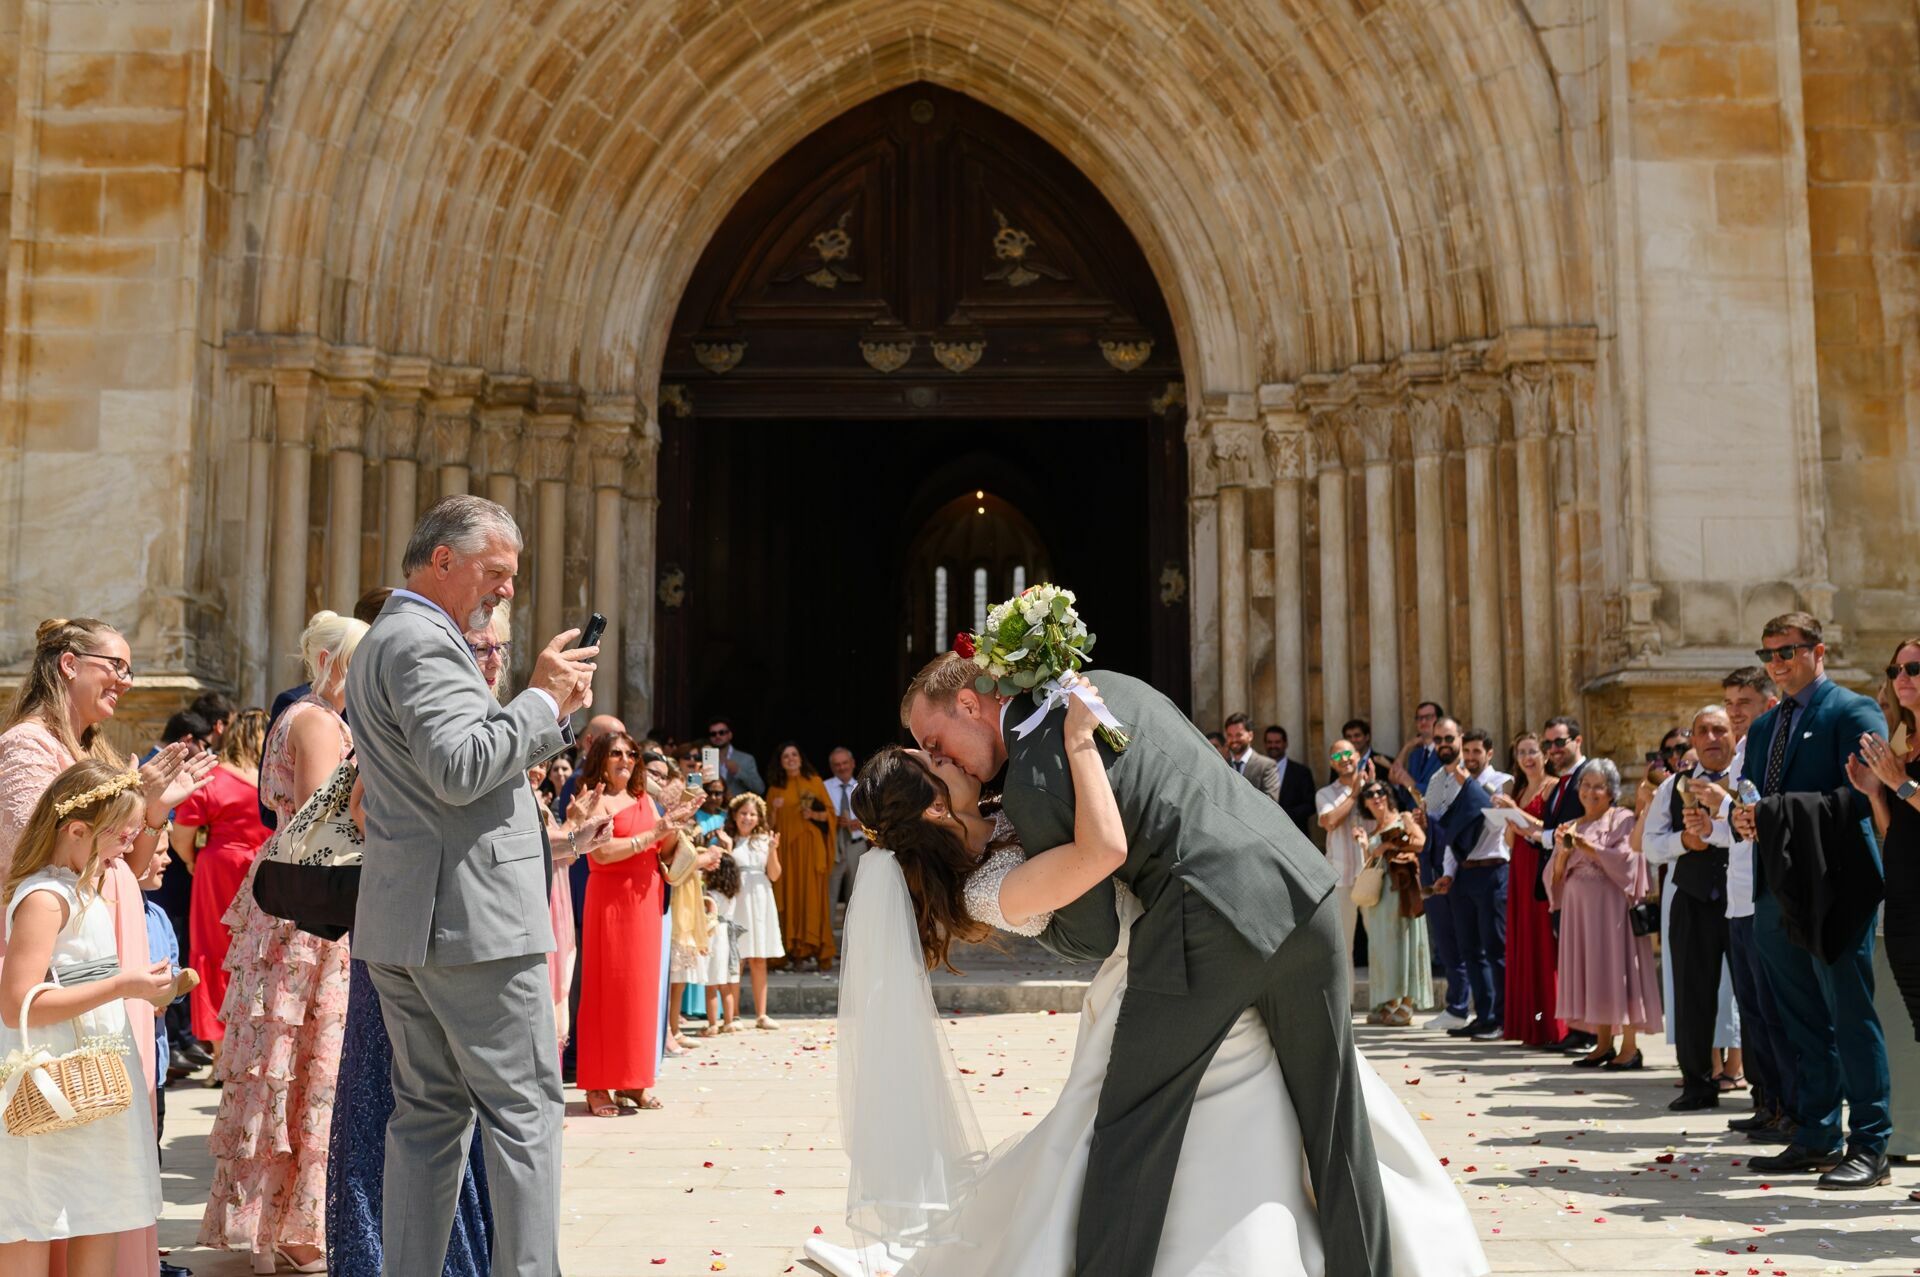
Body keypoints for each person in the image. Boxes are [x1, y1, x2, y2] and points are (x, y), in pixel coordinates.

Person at [812, 677, 1484, 1277]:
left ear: (967, 702)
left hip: (1201, 929)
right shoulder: (1103, 690)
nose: (943, 757)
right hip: (1298, 891)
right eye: (931, 761)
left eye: (934, 743)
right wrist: (1078, 736)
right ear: (930, 808)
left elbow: (1095, 913)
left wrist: (1075, 747)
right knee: (1337, 1130)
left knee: (1130, 1138)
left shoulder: (1030, 778)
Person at [344, 496, 596, 1277]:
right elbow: (458, 769)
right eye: (495, 572)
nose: (506, 591)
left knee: (429, 1117)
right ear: (442, 559)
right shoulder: (423, 641)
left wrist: (540, 712)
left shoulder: (391, 637)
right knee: (525, 1114)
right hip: (474, 925)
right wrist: (543, 698)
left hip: (414, 919)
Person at [0, 617, 212, 1277]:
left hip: (110, 941)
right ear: (68, 663)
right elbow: (36, 853)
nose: (126, 679)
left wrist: (151, 813)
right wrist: (135, 806)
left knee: (105, 1166)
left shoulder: (102, 749)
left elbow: (138, 865)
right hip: (61, 954)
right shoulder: (25, 747)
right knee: (51, 1164)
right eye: (114, 665)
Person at [199, 611, 366, 1274]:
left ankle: (286, 1220)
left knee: (293, 1058)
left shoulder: (304, 718)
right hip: (312, 904)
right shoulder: (319, 720)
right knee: (308, 1056)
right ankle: (299, 1228)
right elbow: (328, 818)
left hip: (292, 898)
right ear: (331, 661)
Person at [1734, 613, 1892, 1190]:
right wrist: (1742, 815)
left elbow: (1864, 795)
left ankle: (1871, 1141)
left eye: (1788, 652)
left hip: (1835, 885)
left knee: (1850, 1014)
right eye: (1768, 654)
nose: (1777, 664)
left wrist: (1776, 813)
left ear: (1818, 651)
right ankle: (1817, 1132)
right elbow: (1754, 794)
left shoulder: (1850, 712)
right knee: (1800, 1019)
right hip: (1776, 886)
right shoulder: (1765, 726)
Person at [0, 762, 174, 1273]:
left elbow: (81, 978)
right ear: (76, 830)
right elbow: (17, 1004)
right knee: (35, 1213)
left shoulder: (84, 889)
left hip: (97, 1079)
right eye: (120, 836)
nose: (127, 849)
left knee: (101, 1209)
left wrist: (143, 988)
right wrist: (124, 986)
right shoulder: (45, 898)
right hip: (54, 1081)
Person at [574, 733, 698, 1116]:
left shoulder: (644, 799)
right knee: (605, 989)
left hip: (645, 900)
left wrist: (676, 821)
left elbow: (663, 848)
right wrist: (654, 833)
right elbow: (602, 852)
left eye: (631, 753)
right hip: (610, 900)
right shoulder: (592, 798)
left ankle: (633, 1080)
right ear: (601, 758)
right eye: (616, 753)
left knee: (640, 991)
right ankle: (597, 1085)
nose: (625, 759)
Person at [1641, 706, 1743, 1112]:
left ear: (1733, 736)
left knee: (1755, 995)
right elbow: (1650, 845)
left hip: (1743, 899)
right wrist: (1685, 843)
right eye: (1704, 731)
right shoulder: (1674, 787)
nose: (1713, 737)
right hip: (1694, 899)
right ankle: (1698, 1083)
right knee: (1691, 993)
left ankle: (1767, 1092)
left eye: (1721, 729)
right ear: (1694, 740)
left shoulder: (1746, 781)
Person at [1851, 641, 1920, 1198]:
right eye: (1895, 668)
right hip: (1902, 897)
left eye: (1914, 668)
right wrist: (1876, 792)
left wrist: (1900, 784)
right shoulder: (1903, 740)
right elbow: (1895, 828)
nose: (1902, 676)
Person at [1545, 759, 1661, 1071]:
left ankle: (1630, 1047)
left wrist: (1589, 847)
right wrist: (1565, 851)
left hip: (1612, 911)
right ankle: (1603, 1042)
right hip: (1579, 912)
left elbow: (1628, 861)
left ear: (1610, 791)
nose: (1590, 792)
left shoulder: (1621, 819)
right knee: (1593, 971)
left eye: (1598, 786)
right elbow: (1554, 877)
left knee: (1617, 969)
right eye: (1585, 785)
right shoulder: (1572, 824)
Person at [1718, 667, 1793, 1142]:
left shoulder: (1769, 750)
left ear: (1768, 704)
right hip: (1737, 895)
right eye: (1729, 703)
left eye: (1743, 702)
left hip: (1765, 893)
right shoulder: (1739, 753)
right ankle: (1766, 1100)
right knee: (1753, 1008)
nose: (1735, 712)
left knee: (1775, 1009)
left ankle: (1789, 1106)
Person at [170, 707, 270, 1053]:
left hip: (219, 867)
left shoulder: (214, 777)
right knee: (259, 950)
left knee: (214, 950)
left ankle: (220, 1048)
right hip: (266, 868)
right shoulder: (274, 777)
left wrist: (193, 861)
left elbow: (181, 833)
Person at [1429, 726, 1514, 1041]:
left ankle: (1502, 1018)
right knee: (1470, 949)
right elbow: (1453, 835)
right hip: (1464, 873)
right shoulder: (1454, 786)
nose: (1472, 757)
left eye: (1478, 751)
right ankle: (1484, 1015)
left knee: (1495, 948)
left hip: (1493, 871)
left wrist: (1468, 785)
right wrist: (1448, 872)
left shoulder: (1502, 781)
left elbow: (1496, 822)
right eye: (1468, 751)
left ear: (1489, 753)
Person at [1491, 732, 1567, 1048]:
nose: (1527, 758)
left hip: (1541, 867)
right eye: (1521, 752)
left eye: (1533, 751)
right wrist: (1507, 820)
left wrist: (1514, 810)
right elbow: (1512, 841)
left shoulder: (1552, 788)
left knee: (1543, 945)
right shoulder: (1520, 790)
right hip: (1519, 866)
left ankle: (1552, 1026)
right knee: (1523, 942)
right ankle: (1529, 1022)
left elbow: (1546, 831)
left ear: (1545, 755)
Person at [1354, 780, 1431, 1026]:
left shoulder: (1404, 817)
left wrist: (1388, 845)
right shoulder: (1373, 828)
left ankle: (1407, 1004)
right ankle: (1390, 1000)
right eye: (1370, 794)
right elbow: (1372, 864)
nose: (1376, 797)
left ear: (1388, 796)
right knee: (1384, 948)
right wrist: (1367, 846)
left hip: (1402, 892)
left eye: (1380, 792)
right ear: (1365, 802)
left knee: (1405, 943)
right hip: (1380, 895)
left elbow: (1420, 842)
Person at [766, 742, 838, 970]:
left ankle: (813, 950)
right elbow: (767, 825)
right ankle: (791, 951)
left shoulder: (815, 782)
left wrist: (813, 814)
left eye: (794, 754)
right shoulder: (775, 788)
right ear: (780, 762)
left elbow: (830, 815)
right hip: (786, 852)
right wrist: (775, 809)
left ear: (800, 758)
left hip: (810, 848)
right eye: (785, 756)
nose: (790, 759)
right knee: (788, 896)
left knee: (811, 897)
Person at [1314, 741, 1371, 978]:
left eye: (1348, 753)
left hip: (1371, 874)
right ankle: (1345, 1008)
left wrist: (1368, 789)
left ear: (1358, 756)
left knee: (1379, 942)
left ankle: (1384, 1004)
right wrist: (1355, 793)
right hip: (1341, 875)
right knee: (1343, 946)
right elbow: (1329, 821)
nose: (1344, 758)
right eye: (1337, 755)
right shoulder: (1325, 793)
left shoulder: (1375, 789)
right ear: (1331, 763)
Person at [727, 794, 783, 1028]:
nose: (747, 818)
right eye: (743, 813)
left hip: (760, 899)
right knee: (736, 957)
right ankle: (734, 1014)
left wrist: (772, 850)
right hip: (737, 900)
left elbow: (774, 874)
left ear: (758, 817)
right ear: (734, 815)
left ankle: (762, 1014)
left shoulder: (764, 840)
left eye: (751, 814)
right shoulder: (729, 839)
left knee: (758, 958)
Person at [699, 851, 744, 1034]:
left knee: (712, 984)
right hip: (729, 935)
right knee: (726, 984)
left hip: (714, 936)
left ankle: (712, 1024)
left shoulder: (711, 895)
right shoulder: (731, 895)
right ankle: (729, 1021)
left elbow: (709, 915)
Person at [823, 747, 868, 913]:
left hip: (857, 845)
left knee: (856, 894)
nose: (841, 767)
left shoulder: (864, 787)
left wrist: (862, 823)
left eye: (845, 763)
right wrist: (833, 821)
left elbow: (876, 817)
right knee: (829, 894)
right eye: (837, 764)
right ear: (832, 767)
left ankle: (853, 937)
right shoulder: (823, 787)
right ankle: (827, 938)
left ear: (853, 763)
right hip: (833, 846)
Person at [1263, 724, 1317, 835]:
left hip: (1295, 833)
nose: (1273, 746)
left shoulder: (1301, 772)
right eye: (1269, 742)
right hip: (1265, 834)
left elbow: (1310, 805)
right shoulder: (1258, 770)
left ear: (1285, 743)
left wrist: (1283, 815)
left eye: (1277, 742)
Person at [1389, 701, 1446, 794]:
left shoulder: (1446, 752)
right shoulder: (1415, 755)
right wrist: (1407, 747)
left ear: (1439, 720)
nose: (1423, 721)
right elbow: (1407, 794)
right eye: (1419, 718)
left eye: (1428, 717)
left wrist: (1411, 784)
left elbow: (1443, 791)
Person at [1221, 712, 1280, 802]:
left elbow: (1271, 801)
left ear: (1250, 735)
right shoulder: (1223, 764)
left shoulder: (1266, 765)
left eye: (1239, 735)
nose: (1233, 740)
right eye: (1230, 735)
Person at [708, 718, 763, 797]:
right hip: (711, 806)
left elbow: (759, 789)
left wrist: (738, 772)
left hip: (737, 807)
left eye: (721, 732)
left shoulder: (746, 759)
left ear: (730, 735)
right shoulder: (704, 759)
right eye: (713, 734)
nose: (717, 736)